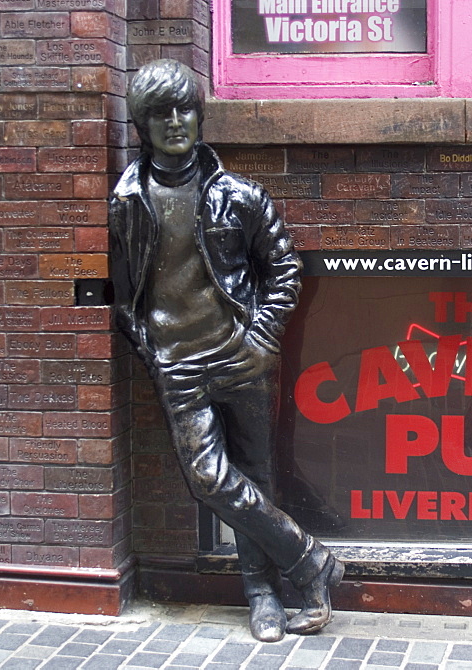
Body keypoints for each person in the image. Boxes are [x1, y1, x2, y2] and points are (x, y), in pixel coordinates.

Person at [108, 59, 343, 642]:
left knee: (256, 478)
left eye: (185, 108)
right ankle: (311, 560)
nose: (176, 121)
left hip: (242, 356)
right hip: (179, 364)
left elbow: (284, 268)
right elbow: (125, 292)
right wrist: (152, 347)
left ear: (200, 114)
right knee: (209, 479)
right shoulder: (128, 201)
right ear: (140, 124)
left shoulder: (238, 195)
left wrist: (261, 338)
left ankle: (262, 597)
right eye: (160, 113)